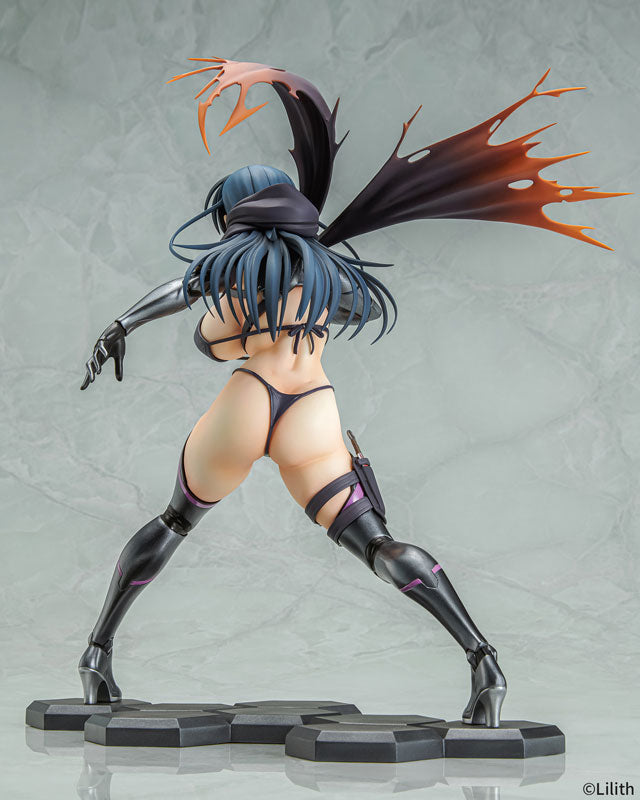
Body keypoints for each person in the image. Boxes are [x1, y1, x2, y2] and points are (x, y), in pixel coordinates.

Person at [77, 59, 625, 728]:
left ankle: (97, 652)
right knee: (376, 543)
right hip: (312, 411)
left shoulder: (234, 266)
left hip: (248, 401)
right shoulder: (326, 271)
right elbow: (351, 310)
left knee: (174, 521)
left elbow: (191, 304)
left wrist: (121, 325)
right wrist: (305, 282)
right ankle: (482, 659)